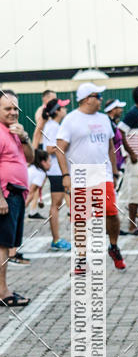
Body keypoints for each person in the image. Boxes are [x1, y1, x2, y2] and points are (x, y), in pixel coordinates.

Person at [56, 82, 126, 272]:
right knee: (81, 220)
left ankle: (113, 246)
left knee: (111, 213)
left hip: (102, 176)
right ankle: (81, 258)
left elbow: (111, 146)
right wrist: (65, 175)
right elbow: (59, 150)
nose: (101, 100)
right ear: (87, 99)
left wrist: (114, 170)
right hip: (79, 177)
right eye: (98, 96)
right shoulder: (71, 120)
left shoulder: (104, 119)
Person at [0, 89, 34, 306]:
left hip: (16, 193)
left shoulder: (13, 131)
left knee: (6, 244)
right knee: (2, 245)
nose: (13, 112)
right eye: (7, 108)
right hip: (6, 193)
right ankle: (3, 293)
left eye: (15, 108)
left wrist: (25, 138)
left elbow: (30, 158)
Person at [41, 96, 71, 250]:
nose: (65, 110)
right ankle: (56, 240)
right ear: (57, 111)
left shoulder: (56, 125)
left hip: (60, 170)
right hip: (56, 171)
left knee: (60, 204)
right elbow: (48, 148)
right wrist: (66, 145)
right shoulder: (52, 126)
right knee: (55, 205)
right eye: (63, 107)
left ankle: (57, 239)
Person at [117, 86, 138, 235]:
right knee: (135, 191)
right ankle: (131, 225)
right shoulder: (133, 114)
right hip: (136, 160)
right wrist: (131, 153)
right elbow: (120, 131)